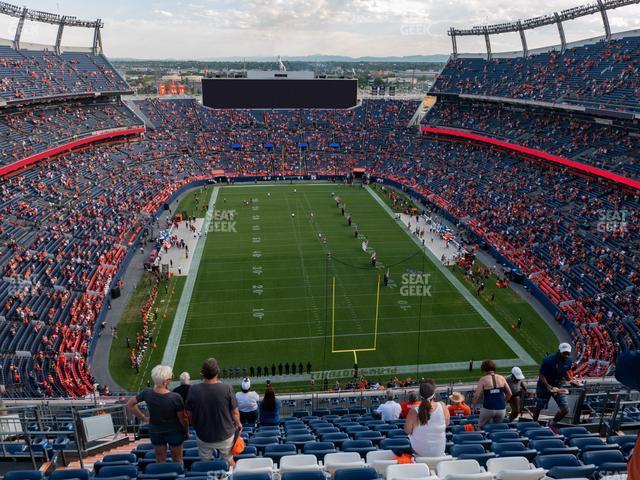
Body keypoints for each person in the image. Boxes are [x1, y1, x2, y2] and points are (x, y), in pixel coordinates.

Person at [185, 358, 242, 466]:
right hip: (225, 434)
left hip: (204, 435)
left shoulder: (193, 389)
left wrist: (196, 425)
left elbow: (189, 414)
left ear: (202, 373)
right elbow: (234, 412)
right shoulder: (226, 388)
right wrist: (238, 423)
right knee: (229, 460)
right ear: (217, 372)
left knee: (205, 463)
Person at [127, 365, 188, 465]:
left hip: (156, 432)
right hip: (174, 432)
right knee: (177, 460)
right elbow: (183, 418)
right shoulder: (175, 397)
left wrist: (143, 418)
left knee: (160, 460)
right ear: (166, 381)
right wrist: (186, 431)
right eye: (170, 378)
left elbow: (130, 404)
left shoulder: (147, 393)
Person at [533, 343, 580, 426]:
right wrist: (547, 386)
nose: (566, 355)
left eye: (567, 353)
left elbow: (565, 371)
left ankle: (551, 423)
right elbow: (541, 374)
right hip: (544, 385)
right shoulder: (548, 360)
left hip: (558, 385)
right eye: (564, 353)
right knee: (539, 406)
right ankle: (534, 424)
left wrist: (570, 380)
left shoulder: (569, 360)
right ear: (559, 351)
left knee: (565, 409)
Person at [404, 380, 449, 457]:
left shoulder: (413, 412)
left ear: (419, 396)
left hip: (420, 452)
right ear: (434, 395)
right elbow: (446, 424)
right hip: (439, 451)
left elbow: (407, 431)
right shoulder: (442, 406)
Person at [473, 359, 512, 428]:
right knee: (496, 428)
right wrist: (503, 402)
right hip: (501, 409)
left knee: (480, 427)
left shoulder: (483, 379)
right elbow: (509, 394)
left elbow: (476, 396)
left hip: (488, 408)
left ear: (484, 369)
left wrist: (474, 408)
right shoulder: (501, 378)